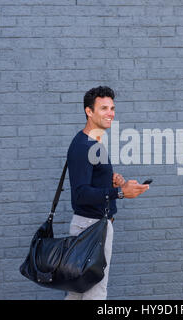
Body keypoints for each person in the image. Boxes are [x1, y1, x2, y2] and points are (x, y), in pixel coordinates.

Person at [64, 86, 149, 300]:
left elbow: (92, 182)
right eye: (103, 108)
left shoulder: (94, 142)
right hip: (91, 227)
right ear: (89, 111)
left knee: (77, 292)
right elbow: (81, 194)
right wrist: (120, 192)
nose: (110, 113)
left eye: (112, 108)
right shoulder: (84, 146)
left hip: (92, 225)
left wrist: (113, 181)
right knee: (95, 291)